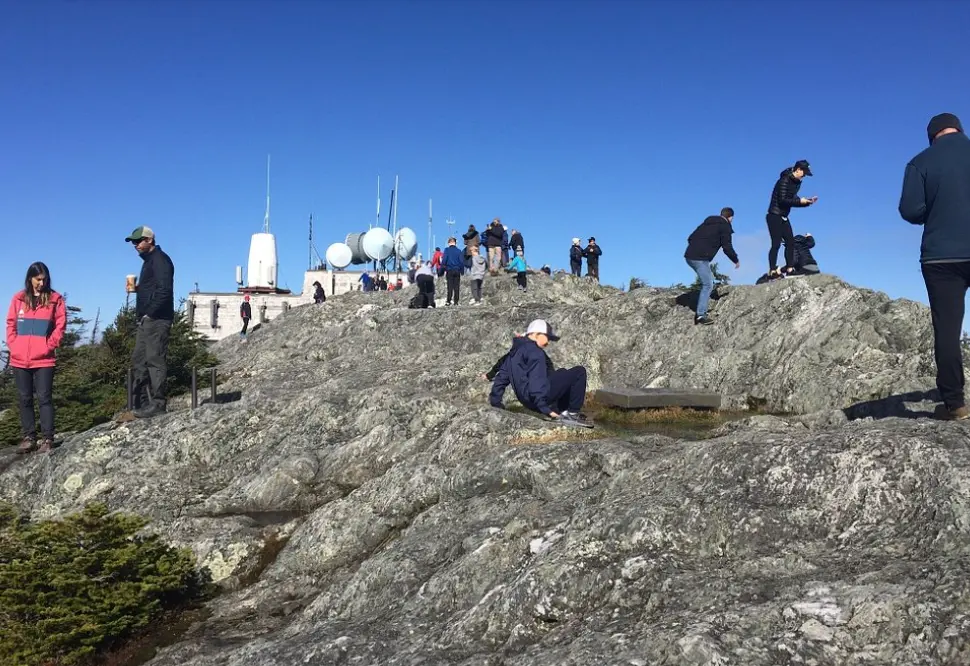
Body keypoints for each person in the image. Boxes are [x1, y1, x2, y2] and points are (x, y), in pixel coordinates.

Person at [898, 112, 970, 421]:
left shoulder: (920, 162)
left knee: (947, 330)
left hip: (941, 257)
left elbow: (910, 209)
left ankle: (955, 405)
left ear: (932, 136)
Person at [6, 262, 67, 453]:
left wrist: (50, 345)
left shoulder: (55, 299)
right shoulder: (19, 299)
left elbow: (60, 324)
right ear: (30, 278)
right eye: (38, 279)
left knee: (44, 398)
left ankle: (47, 439)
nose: (41, 282)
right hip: (19, 358)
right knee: (24, 398)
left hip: (44, 359)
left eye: (44, 279)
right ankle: (29, 438)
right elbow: (10, 324)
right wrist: (13, 345)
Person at [488, 319, 591, 428]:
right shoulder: (534, 352)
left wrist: (496, 403)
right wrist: (545, 409)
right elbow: (536, 380)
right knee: (579, 372)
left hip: (529, 401)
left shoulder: (514, 353)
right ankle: (572, 414)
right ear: (536, 334)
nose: (548, 342)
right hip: (538, 399)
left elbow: (501, 379)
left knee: (562, 372)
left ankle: (562, 410)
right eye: (547, 337)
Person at [124, 226, 175, 419]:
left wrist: (150, 314)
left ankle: (158, 403)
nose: (135, 245)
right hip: (147, 320)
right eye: (134, 242)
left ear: (150, 240)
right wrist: (139, 289)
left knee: (155, 360)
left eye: (138, 241)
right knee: (139, 360)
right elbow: (155, 288)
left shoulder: (160, 260)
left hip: (157, 319)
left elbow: (164, 291)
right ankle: (143, 403)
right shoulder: (149, 261)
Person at [684, 207, 740, 325]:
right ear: (730, 218)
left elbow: (690, 238)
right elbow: (727, 247)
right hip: (700, 258)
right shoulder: (725, 227)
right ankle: (700, 315)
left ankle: (701, 311)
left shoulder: (707, 223)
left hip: (689, 255)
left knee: (707, 280)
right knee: (708, 284)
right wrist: (735, 260)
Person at [766, 159, 817, 278]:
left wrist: (807, 202)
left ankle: (790, 269)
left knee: (790, 242)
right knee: (776, 243)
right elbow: (783, 200)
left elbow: (793, 200)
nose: (804, 176)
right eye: (804, 173)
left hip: (783, 216)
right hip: (774, 215)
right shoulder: (784, 180)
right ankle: (772, 270)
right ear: (798, 170)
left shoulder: (796, 183)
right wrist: (799, 201)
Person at [442, 237, 464, 306]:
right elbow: (461, 262)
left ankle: (448, 301)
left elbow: (444, 260)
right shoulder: (459, 251)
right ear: (455, 243)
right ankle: (456, 301)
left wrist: (443, 268)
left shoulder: (447, 250)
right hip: (457, 270)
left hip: (449, 270)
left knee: (450, 286)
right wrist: (462, 271)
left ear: (449, 243)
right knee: (456, 287)